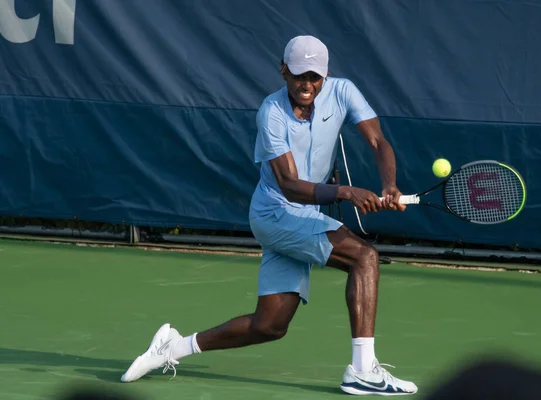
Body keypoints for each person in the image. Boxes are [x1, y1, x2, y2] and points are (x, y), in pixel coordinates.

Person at [120, 35, 418, 396]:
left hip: (302, 216)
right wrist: (345, 192)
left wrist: (389, 184)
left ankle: (173, 347)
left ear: (326, 76)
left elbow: (377, 141)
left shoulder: (343, 91)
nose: (306, 85)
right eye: (298, 76)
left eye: (314, 77)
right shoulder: (271, 113)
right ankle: (363, 370)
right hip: (275, 213)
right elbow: (290, 184)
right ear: (283, 71)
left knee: (270, 324)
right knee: (364, 258)